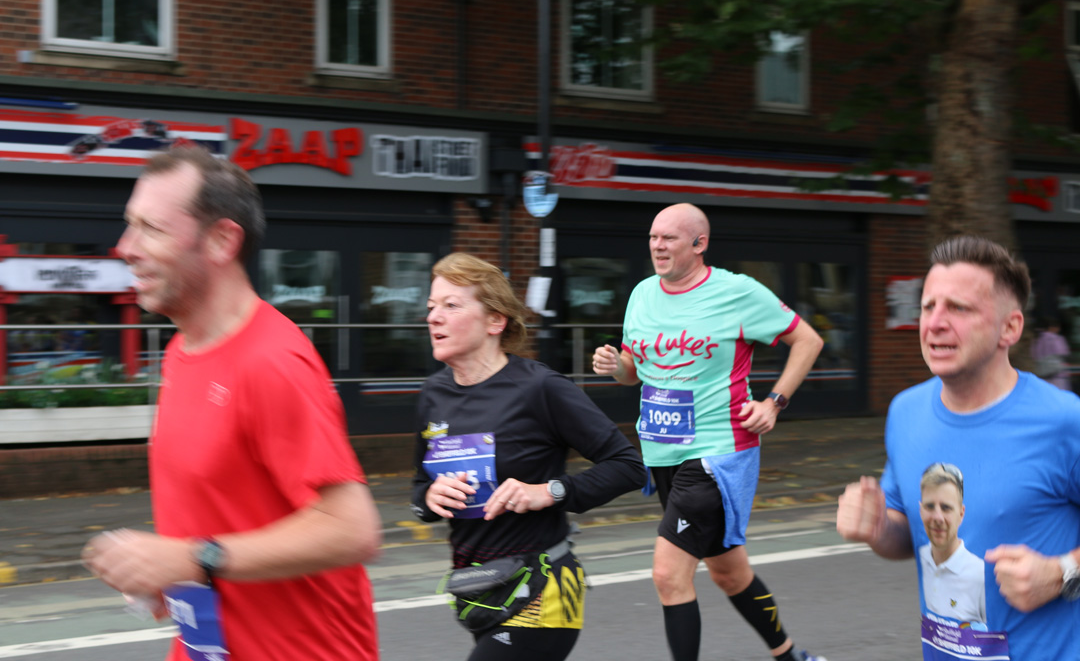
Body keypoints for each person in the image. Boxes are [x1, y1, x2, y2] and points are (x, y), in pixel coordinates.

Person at [82, 145, 381, 661]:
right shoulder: (181, 351)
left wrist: (194, 558)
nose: (126, 247)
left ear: (222, 240)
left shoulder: (272, 361)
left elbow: (353, 530)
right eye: (130, 225)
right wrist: (164, 569)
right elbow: (220, 512)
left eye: (151, 228)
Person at [591, 203, 826, 661]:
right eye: (653, 237)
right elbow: (634, 371)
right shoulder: (642, 293)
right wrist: (614, 365)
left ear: (700, 244)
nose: (658, 246)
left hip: (718, 453)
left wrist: (774, 402)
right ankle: (790, 656)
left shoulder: (737, 292)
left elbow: (808, 340)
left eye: (669, 238)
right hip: (663, 454)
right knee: (729, 573)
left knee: (668, 574)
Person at [837, 236, 1080, 661]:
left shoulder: (1063, 420)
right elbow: (908, 533)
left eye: (959, 308)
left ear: (1010, 328)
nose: (935, 323)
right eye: (928, 306)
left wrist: (1063, 573)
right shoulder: (906, 412)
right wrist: (878, 528)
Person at [411, 252, 644, 661]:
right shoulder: (434, 394)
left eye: (451, 305)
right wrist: (430, 498)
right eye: (432, 306)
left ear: (495, 321)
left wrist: (549, 492)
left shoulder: (541, 388)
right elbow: (419, 489)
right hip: (479, 590)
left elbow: (628, 466)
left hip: (543, 590)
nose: (434, 317)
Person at [918, 463, 986, 626]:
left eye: (946, 508)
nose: (937, 517)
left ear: (961, 514)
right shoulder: (919, 558)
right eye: (930, 506)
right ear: (921, 510)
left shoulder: (980, 575)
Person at [1032, 316, 1072, 391]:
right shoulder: (1057, 339)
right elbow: (1064, 353)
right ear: (1053, 327)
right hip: (1058, 376)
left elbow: (1034, 355)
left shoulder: (1036, 340)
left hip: (1042, 375)